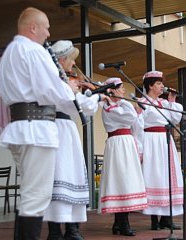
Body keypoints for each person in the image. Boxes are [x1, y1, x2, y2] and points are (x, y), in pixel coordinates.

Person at [0, 7, 79, 239]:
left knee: (30, 194)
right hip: (36, 128)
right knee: (37, 196)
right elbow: (50, 90)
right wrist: (69, 90)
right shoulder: (33, 50)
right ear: (33, 27)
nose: (48, 32)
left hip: (21, 126)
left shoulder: (10, 53)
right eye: (46, 27)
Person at [43, 40, 110, 240]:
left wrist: (90, 94)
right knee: (60, 176)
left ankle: (71, 229)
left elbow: (78, 103)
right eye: (71, 61)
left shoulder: (61, 81)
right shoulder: (55, 81)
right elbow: (76, 105)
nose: (73, 65)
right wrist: (97, 98)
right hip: (58, 131)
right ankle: (56, 231)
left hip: (65, 131)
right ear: (62, 60)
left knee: (71, 176)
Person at [98, 77, 148, 236]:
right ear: (111, 90)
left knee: (126, 180)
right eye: (120, 88)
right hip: (117, 145)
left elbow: (136, 123)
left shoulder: (116, 106)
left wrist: (137, 110)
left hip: (126, 144)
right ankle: (122, 223)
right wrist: (129, 105)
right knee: (121, 181)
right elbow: (130, 117)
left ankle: (119, 223)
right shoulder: (108, 107)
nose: (124, 91)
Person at [138, 70, 183, 230]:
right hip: (151, 140)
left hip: (165, 140)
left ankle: (166, 218)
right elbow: (138, 125)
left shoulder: (163, 104)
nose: (162, 86)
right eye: (159, 83)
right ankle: (154, 219)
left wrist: (171, 101)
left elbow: (175, 118)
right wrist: (141, 148)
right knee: (154, 176)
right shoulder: (142, 102)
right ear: (150, 85)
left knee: (167, 177)